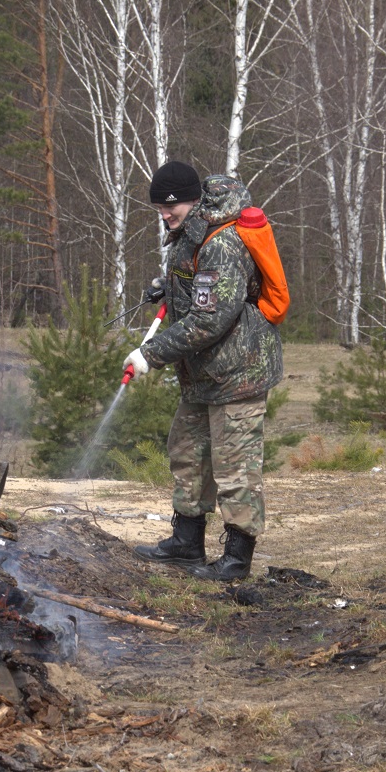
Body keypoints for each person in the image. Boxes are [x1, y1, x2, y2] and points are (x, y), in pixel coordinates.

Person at [125, 161, 284, 582]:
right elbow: (199, 285)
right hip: (202, 373)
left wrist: (151, 354)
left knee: (235, 467)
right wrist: (169, 285)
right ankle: (186, 544)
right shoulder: (191, 231)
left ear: (191, 201)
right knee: (188, 453)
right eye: (158, 208)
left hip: (238, 372)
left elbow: (209, 320)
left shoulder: (222, 242)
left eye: (169, 207)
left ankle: (236, 559)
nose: (164, 214)